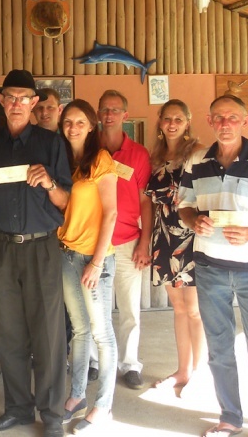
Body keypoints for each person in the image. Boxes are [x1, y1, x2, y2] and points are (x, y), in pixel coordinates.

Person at [177, 94, 248, 437]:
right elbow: (184, 205)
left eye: (232, 118)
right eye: (219, 118)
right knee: (219, 346)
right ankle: (230, 417)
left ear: (245, 121)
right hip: (209, 267)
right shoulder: (196, 161)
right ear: (210, 121)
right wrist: (194, 221)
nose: (225, 124)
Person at [0, 69, 72, 437]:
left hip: (41, 247)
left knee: (48, 335)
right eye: (10, 97)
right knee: (10, 332)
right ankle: (17, 408)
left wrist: (49, 182)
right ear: (1, 101)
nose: (16, 104)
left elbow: (65, 203)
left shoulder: (51, 144)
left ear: (34, 103)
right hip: (1, 246)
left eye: (23, 98)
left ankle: (52, 416)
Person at [55, 99, 120, 434]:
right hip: (67, 254)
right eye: (68, 121)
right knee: (79, 330)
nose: (73, 127)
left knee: (102, 334)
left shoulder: (101, 160)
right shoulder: (65, 161)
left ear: (92, 126)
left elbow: (111, 213)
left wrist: (97, 261)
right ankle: (77, 395)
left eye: (80, 122)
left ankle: (103, 405)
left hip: (94, 258)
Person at [146, 99, 205, 393]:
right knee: (179, 309)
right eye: (167, 118)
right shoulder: (155, 156)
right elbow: (150, 203)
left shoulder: (197, 153)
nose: (172, 124)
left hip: (190, 237)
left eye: (178, 119)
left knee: (194, 310)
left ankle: (200, 374)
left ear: (187, 122)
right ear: (160, 121)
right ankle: (182, 370)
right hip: (164, 238)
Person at [96, 89, 152, 389]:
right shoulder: (90, 147)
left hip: (128, 240)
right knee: (95, 308)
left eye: (115, 110)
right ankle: (94, 361)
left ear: (125, 115)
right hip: (94, 242)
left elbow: (145, 200)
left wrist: (145, 242)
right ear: (98, 114)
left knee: (130, 307)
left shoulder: (139, 154)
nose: (109, 114)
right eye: (105, 109)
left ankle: (130, 363)